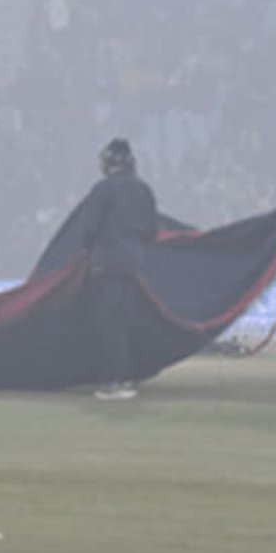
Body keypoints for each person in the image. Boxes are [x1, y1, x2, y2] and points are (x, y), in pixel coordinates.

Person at [81, 138, 158, 400]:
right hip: (133, 264)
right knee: (124, 322)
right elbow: (151, 231)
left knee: (109, 325)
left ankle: (114, 380)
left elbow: (88, 229)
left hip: (106, 264)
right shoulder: (143, 190)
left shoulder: (102, 190)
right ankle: (126, 377)